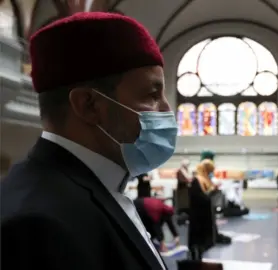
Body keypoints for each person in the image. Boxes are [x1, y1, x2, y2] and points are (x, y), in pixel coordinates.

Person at [1, 13, 176, 270]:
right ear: (89, 105)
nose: (166, 110)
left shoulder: (96, 187)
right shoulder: (39, 224)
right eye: (152, 95)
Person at [188, 159, 231, 261]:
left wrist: (213, 190)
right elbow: (201, 197)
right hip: (199, 216)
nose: (211, 173)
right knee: (198, 240)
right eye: (210, 171)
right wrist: (212, 190)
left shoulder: (204, 179)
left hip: (205, 214)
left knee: (205, 239)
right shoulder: (197, 180)